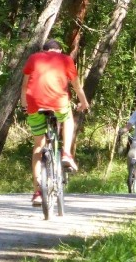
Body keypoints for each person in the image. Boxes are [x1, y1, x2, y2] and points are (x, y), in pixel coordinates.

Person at [21, 39, 89, 206]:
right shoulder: (66, 59)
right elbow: (77, 87)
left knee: (38, 146)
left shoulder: (34, 58)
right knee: (67, 119)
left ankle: (38, 192)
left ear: (44, 50)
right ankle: (66, 153)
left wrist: (24, 106)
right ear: (58, 51)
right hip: (58, 102)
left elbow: (24, 86)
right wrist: (84, 103)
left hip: (34, 103)